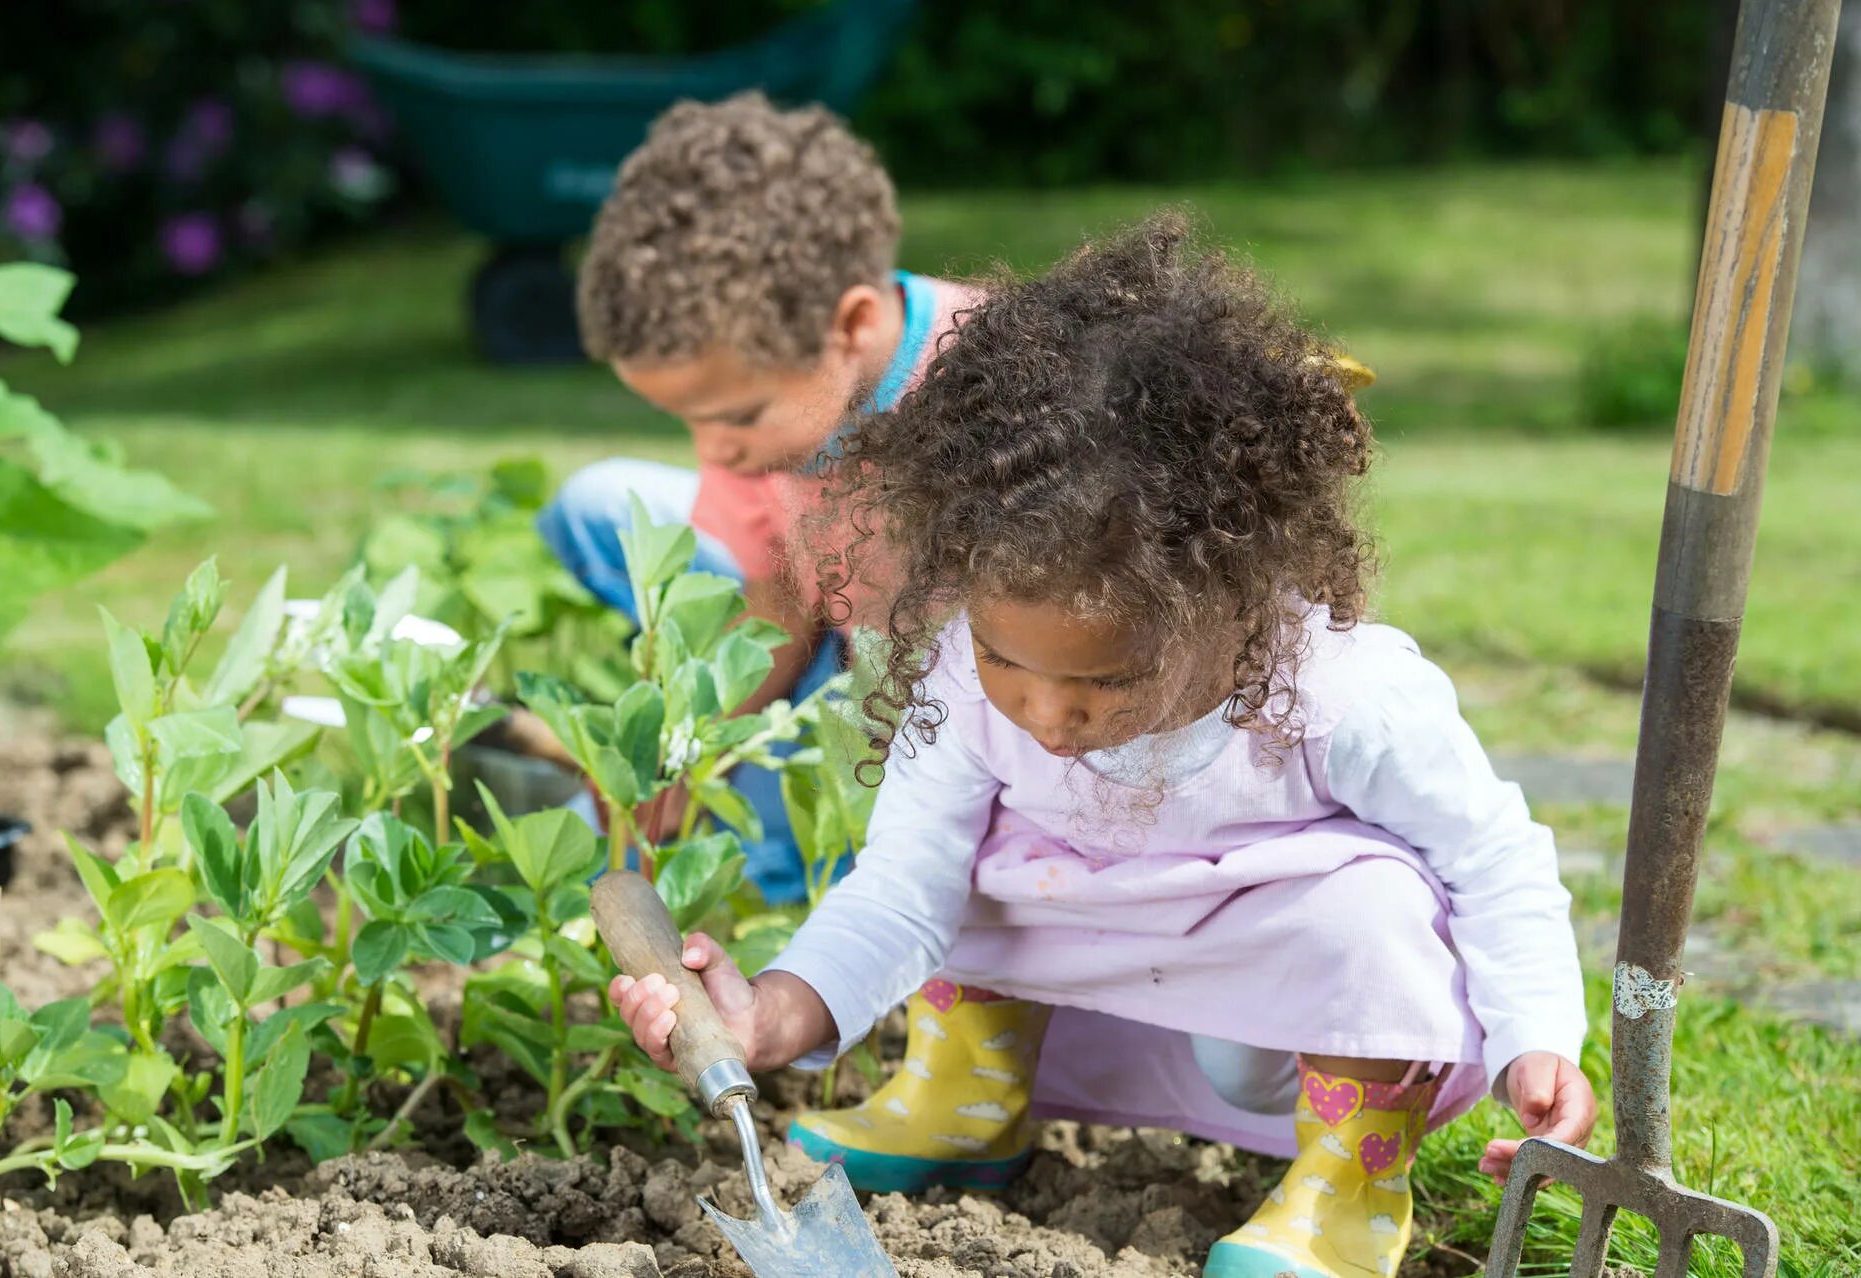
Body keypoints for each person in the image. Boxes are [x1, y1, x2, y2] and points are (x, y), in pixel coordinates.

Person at [608, 215, 1594, 1278]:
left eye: (1106, 681)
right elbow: (899, 892)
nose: (1045, 714)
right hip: (1092, 945)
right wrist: (773, 1013)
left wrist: (1537, 1039)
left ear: (1232, 600)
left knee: (1378, 904)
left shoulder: (1341, 692)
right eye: (1003, 657)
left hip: (1280, 992)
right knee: (968, 861)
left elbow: (1491, 860)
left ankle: (1349, 1186)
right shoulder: (961, 671)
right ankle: (968, 1099)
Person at [531, 92, 981, 904]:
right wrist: (688, 750)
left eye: (734, 417)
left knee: (818, 844)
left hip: (969, 703)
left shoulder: (990, 391)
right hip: (852, 647)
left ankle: (791, 889)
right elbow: (776, 606)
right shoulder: (783, 405)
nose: (714, 453)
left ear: (850, 325)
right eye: (690, 421)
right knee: (602, 508)